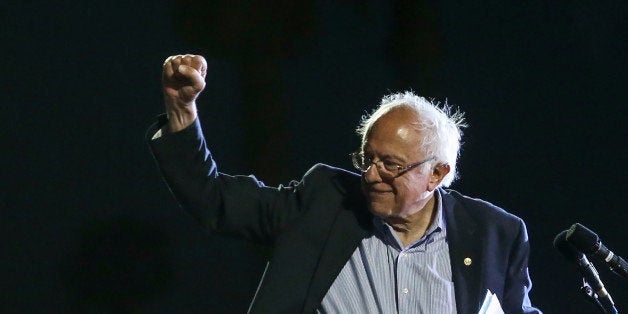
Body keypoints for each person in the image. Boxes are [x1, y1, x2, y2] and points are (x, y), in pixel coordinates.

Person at [148, 54, 542, 313]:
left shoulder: (494, 234)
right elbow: (214, 201)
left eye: (390, 165)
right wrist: (182, 110)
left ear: (437, 174)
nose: (371, 175)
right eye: (367, 159)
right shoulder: (325, 202)